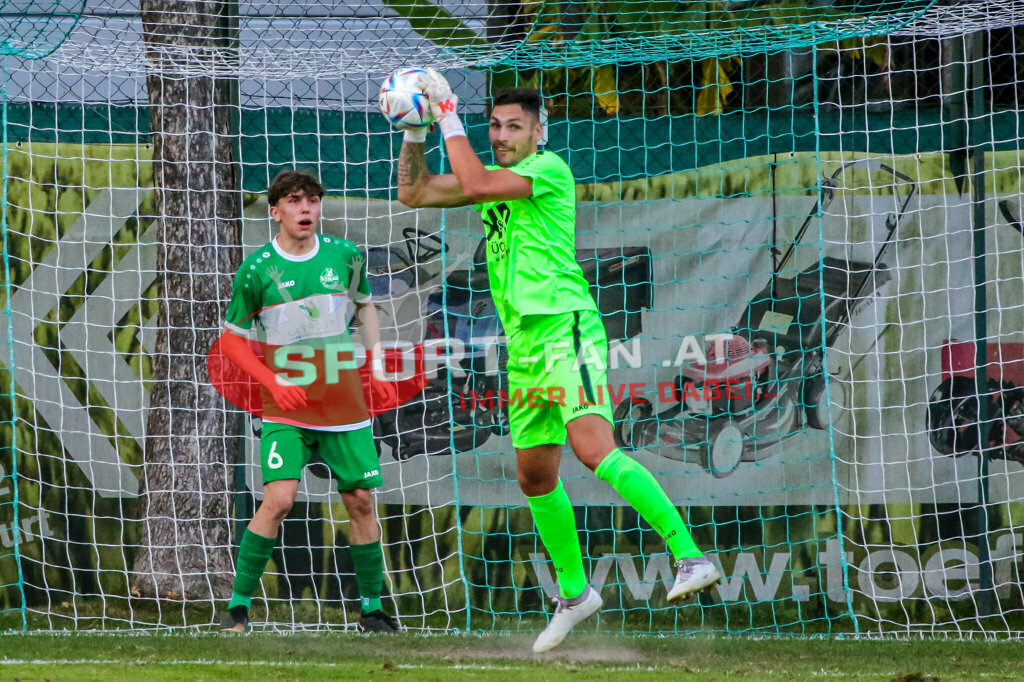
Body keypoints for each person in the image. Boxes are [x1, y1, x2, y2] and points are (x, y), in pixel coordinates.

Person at [395, 74, 721, 653]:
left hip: (565, 327)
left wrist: (448, 115)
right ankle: (575, 593)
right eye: (494, 126)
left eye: (513, 127)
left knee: (593, 448)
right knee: (534, 475)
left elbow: (472, 178)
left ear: (538, 132)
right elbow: (414, 195)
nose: (501, 135)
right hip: (522, 345)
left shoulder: (548, 170)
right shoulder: (493, 181)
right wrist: (415, 132)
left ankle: (689, 555)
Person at [218, 169, 398, 633]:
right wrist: (271, 384)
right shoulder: (256, 270)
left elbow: (365, 307)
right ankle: (238, 608)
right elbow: (233, 342)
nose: (306, 209)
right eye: (295, 201)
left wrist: (376, 367)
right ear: (275, 211)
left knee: (360, 500)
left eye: (313, 200)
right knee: (279, 499)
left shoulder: (345, 255)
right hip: (285, 406)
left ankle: (373, 611)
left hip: (342, 400)